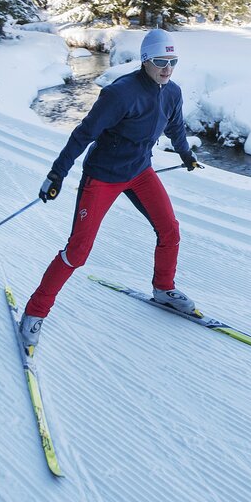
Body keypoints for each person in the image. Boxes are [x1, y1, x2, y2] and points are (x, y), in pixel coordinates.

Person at [20, 28, 200, 354]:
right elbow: (82, 134)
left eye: (173, 61)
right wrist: (56, 175)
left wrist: (186, 154)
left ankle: (163, 288)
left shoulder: (172, 92)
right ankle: (35, 310)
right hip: (102, 176)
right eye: (160, 60)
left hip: (139, 171)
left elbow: (175, 127)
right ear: (145, 59)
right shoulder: (121, 94)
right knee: (77, 251)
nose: (167, 67)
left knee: (170, 231)